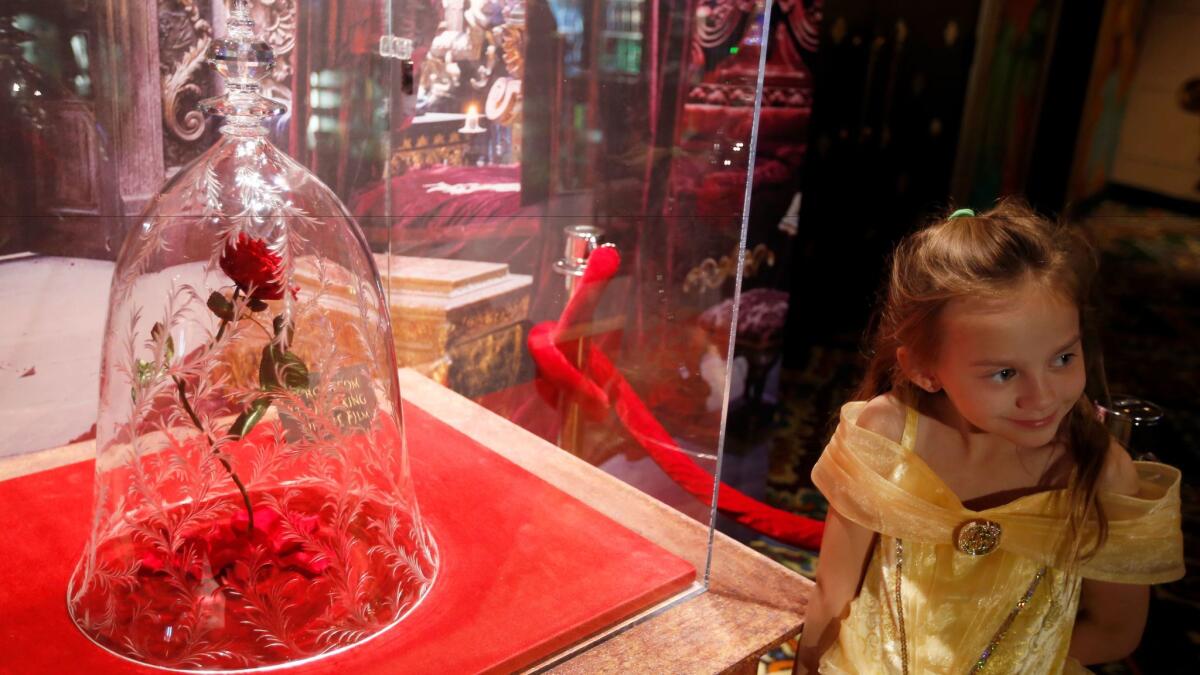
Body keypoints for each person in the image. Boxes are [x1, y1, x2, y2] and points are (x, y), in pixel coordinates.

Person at [797, 200, 1184, 673]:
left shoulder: (1100, 473)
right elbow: (832, 595)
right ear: (923, 368)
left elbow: (1114, 630)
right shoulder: (886, 437)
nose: (1041, 397)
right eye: (1004, 373)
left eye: (1063, 358)